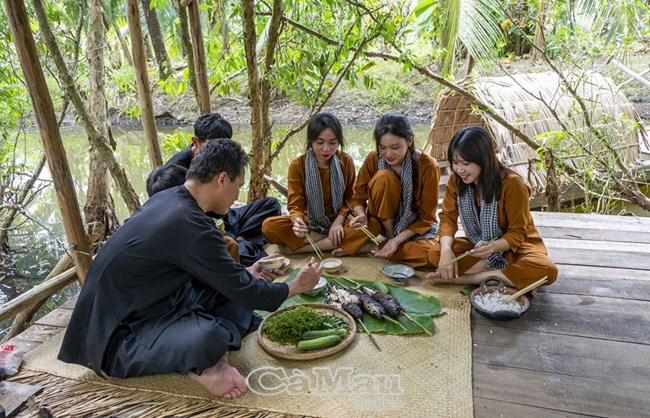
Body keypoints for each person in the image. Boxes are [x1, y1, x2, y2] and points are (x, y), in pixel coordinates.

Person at [58, 139, 323, 399]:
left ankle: (201, 353)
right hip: (115, 337)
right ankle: (203, 365)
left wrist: (248, 274)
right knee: (211, 336)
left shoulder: (172, 200)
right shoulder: (187, 223)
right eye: (238, 186)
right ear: (221, 179)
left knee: (233, 298)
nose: (237, 196)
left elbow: (227, 280)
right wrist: (297, 285)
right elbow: (248, 294)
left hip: (154, 303)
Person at [425, 126, 558, 289]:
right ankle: (507, 276)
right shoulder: (457, 180)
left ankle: (462, 279)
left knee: (547, 270)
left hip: (516, 246)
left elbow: (518, 232)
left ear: (483, 159)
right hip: (478, 244)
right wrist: (446, 250)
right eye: (455, 162)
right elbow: (448, 218)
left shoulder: (512, 184)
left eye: (466, 163)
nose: (459, 169)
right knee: (435, 253)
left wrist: (493, 247)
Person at [147, 112, 281, 266]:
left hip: (224, 216)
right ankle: (243, 247)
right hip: (204, 224)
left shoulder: (221, 160)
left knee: (270, 205)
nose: (219, 152)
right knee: (230, 251)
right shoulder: (175, 172)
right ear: (196, 142)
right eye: (211, 145)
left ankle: (241, 242)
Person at [335, 114, 440, 267]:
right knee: (383, 177)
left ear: (409, 141)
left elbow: (426, 218)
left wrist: (396, 240)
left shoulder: (427, 165)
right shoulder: (374, 158)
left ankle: (375, 247)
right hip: (377, 224)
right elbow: (357, 197)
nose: (388, 154)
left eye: (395, 147)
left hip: (411, 228)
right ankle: (388, 243)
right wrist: (362, 215)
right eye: (382, 148)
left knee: (432, 254)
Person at [262, 112, 357, 253]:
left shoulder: (346, 161)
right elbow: (295, 204)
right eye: (320, 142)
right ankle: (332, 240)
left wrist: (338, 222)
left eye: (333, 143)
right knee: (268, 226)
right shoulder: (298, 165)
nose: (326, 148)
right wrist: (298, 223)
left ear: (339, 141)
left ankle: (304, 249)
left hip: (341, 220)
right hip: (311, 224)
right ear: (311, 140)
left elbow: (351, 198)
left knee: (371, 225)